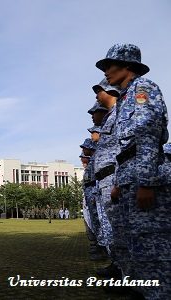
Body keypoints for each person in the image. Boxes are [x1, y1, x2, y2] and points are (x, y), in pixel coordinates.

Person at [97, 43, 170, 299]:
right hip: (128, 176)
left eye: (109, 65)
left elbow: (147, 135)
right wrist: (118, 182)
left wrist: (147, 182)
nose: (105, 71)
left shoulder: (143, 88)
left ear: (127, 66)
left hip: (142, 175)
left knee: (152, 248)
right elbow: (122, 148)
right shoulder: (126, 97)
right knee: (134, 243)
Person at [91, 79, 124, 283]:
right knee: (114, 227)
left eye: (98, 91)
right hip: (106, 179)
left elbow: (124, 148)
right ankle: (119, 267)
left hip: (115, 177)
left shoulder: (121, 112)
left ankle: (128, 275)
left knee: (120, 228)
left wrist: (117, 181)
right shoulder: (113, 116)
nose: (96, 95)